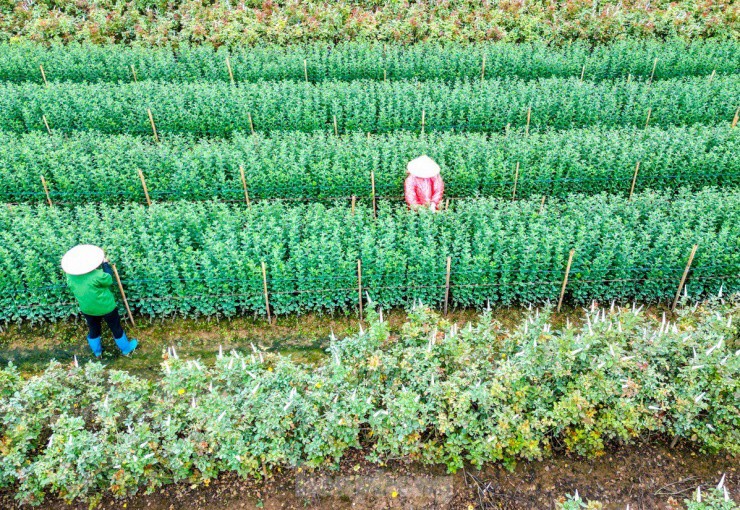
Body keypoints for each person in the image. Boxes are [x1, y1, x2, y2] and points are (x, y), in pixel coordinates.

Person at [61, 245, 138, 357]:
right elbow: (108, 279)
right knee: (115, 327)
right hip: (106, 307)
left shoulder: (70, 276)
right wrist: (105, 264)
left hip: (87, 309)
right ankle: (126, 348)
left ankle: (97, 352)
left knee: (94, 329)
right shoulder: (96, 275)